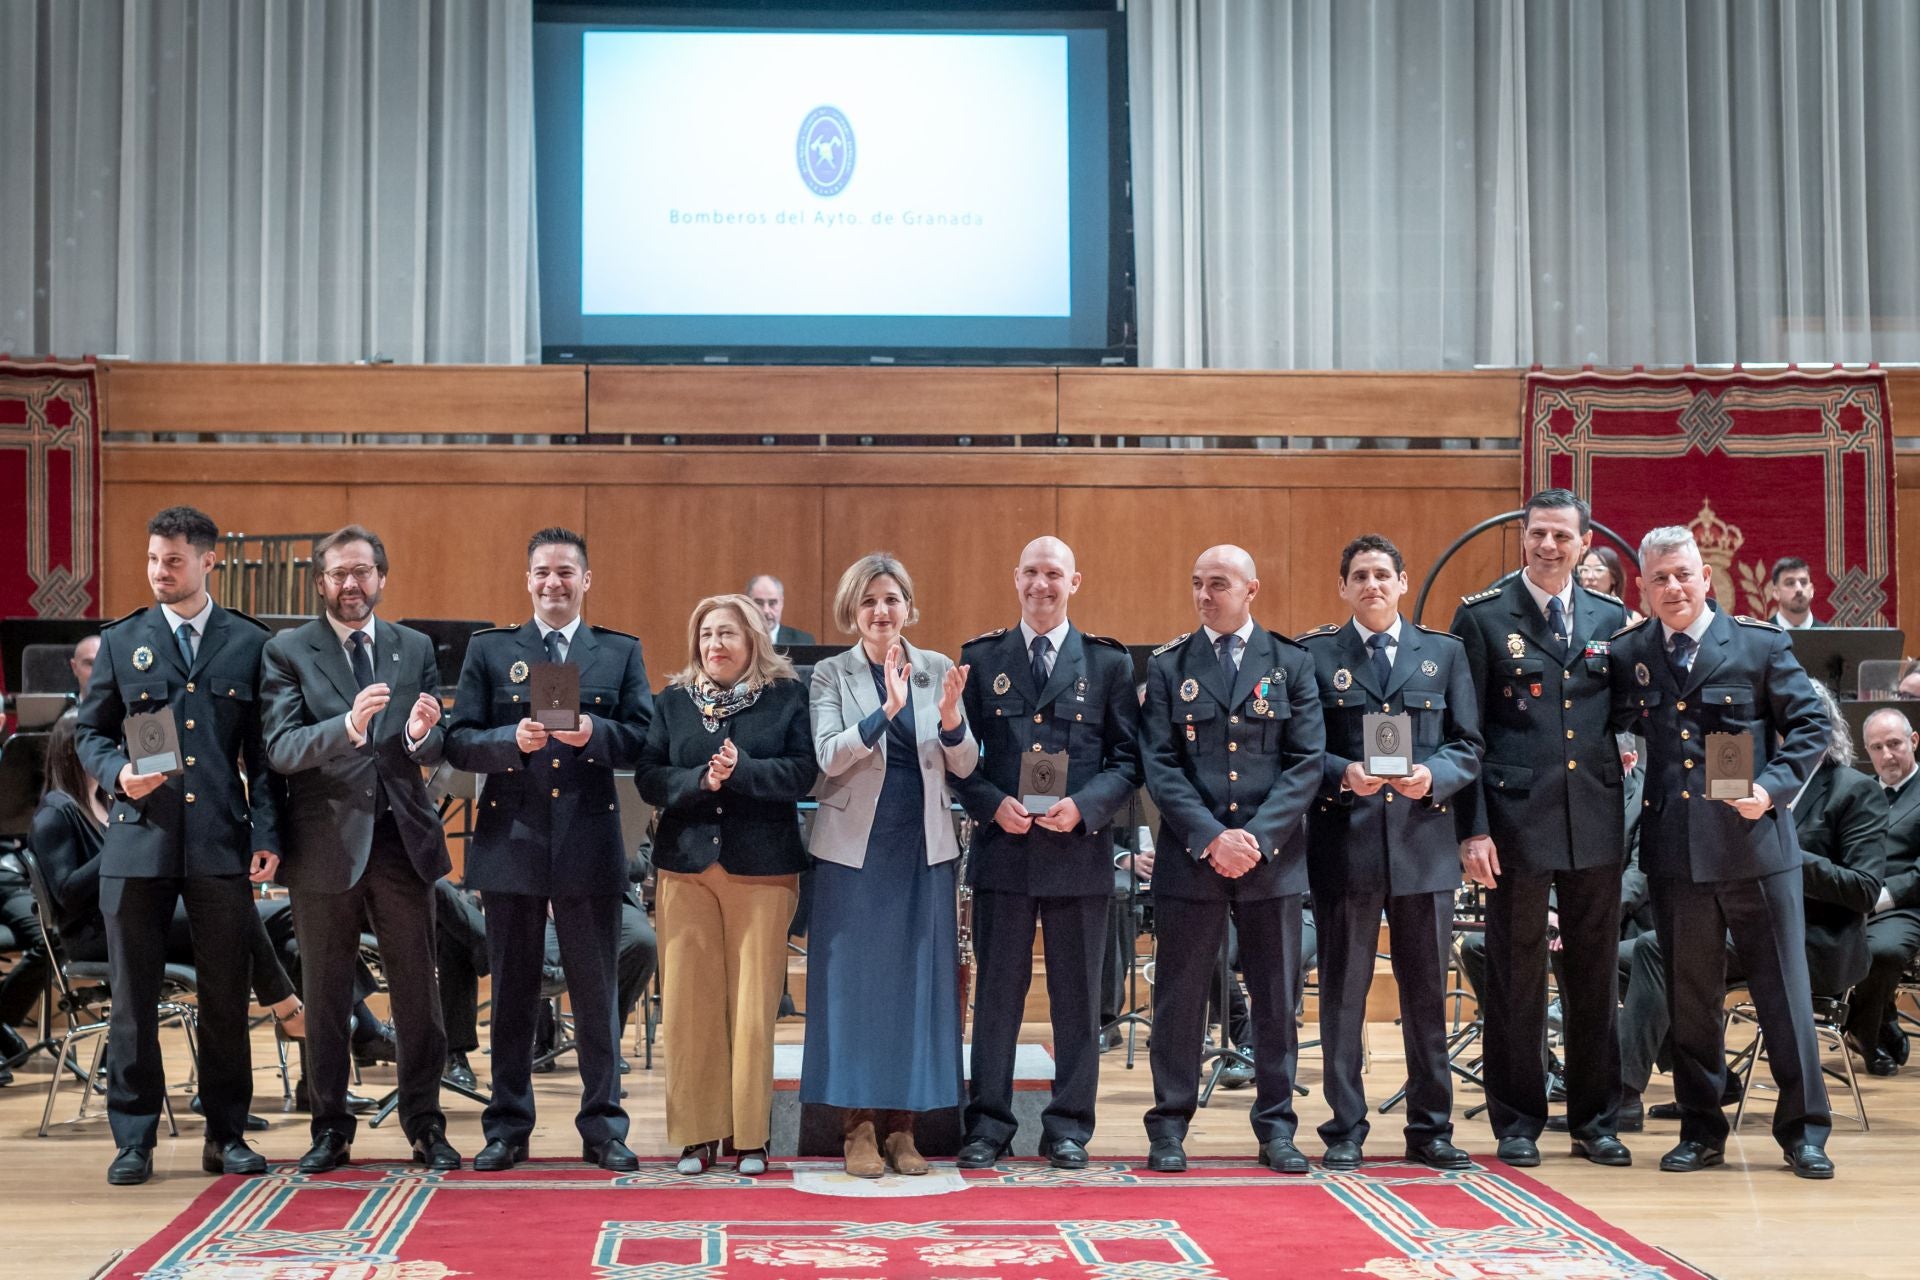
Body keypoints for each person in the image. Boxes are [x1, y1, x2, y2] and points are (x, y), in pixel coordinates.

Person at [1607, 525, 1833, 1179]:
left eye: (1683, 574)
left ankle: (1804, 1133)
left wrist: (1772, 787)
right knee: (1691, 1001)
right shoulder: (1633, 652)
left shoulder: (1759, 645)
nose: (1673, 588)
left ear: (1706, 577)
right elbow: (1617, 724)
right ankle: (1701, 1129)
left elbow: (1812, 724)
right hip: (1677, 855)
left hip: (1755, 847)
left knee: (1783, 996)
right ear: (1644, 588)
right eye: (1659, 579)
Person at [73, 505, 283, 1185]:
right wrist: (116, 773)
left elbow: (264, 754)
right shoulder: (124, 639)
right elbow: (91, 734)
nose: (159, 572)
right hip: (139, 845)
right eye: (152, 559)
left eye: (173, 560)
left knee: (226, 997)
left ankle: (226, 1135)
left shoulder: (250, 644)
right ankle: (133, 1138)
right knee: (133, 999)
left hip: (220, 844)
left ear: (207, 562)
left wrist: (268, 835)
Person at [443, 527, 653, 1172]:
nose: (552, 583)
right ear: (527, 579)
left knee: (595, 992)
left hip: (589, 839)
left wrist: (596, 731)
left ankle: (603, 1126)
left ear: (586, 581)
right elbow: (458, 741)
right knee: (511, 992)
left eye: (565, 572)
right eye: (541, 572)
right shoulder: (492, 649)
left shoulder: (617, 653)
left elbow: (645, 740)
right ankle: (507, 1126)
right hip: (513, 839)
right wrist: (512, 741)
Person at [260, 524, 460, 1173]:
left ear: (382, 576)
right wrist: (346, 728)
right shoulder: (287, 650)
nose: (352, 584)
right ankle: (329, 1127)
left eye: (363, 572)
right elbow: (281, 748)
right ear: (320, 581)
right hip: (323, 846)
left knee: (416, 993)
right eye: (339, 573)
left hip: (403, 842)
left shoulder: (413, 645)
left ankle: (425, 1123)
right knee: (325, 992)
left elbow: (431, 745)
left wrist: (427, 736)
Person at [1449, 489, 1632, 1168]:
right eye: (1538, 535)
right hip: (1514, 824)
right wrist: (1471, 830)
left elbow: (1624, 714)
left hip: (1594, 819)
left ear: (1583, 543)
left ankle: (1595, 1121)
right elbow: (1463, 734)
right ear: (1521, 540)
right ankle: (1518, 1120)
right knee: (1516, 976)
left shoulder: (1613, 618)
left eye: (1562, 536)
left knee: (1593, 975)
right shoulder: (1484, 617)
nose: (1549, 547)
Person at [950, 537, 1141, 1170]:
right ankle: (988, 1126)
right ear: (1015, 578)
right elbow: (958, 755)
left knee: (1077, 1000)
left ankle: (1067, 1127)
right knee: (998, 997)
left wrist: (1086, 807)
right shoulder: (981, 659)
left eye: (1053, 574)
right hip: (1004, 849)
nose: (1041, 584)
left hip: (1076, 853)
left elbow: (1126, 760)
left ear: (1074, 582)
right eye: (1031, 572)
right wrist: (987, 801)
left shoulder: (1108, 664)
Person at [1299, 533, 1483, 1172]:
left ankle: (1430, 1128)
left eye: (1383, 574)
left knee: (1426, 996)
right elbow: (1301, 752)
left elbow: (1468, 745)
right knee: (1343, 998)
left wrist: (1434, 776)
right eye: (1359, 576)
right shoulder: (1316, 656)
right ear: (1343, 587)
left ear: (1403, 582)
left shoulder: (1444, 654)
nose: (1372, 585)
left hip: (1422, 847)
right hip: (1344, 846)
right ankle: (1345, 1126)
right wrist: (1341, 772)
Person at [1137, 544, 1324, 1175]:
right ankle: (1168, 1127)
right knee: (1180, 998)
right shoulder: (1168, 666)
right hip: (1192, 858)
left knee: (1276, 999)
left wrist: (1257, 838)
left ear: (1252, 589)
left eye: (1218, 584)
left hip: (1271, 860)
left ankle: (1276, 1128)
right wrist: (1212, 837)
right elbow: (1159, 765)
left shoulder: (1292, 662)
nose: (1204, 595)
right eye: (1197, 584)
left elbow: (1306, 762)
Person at [1616, 684, 1885, 1119]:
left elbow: (1863, 889)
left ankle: (1623, 1095)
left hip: (1814, 940)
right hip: (1735, 921)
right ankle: (1711, 1081)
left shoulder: (1853, 791)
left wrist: (1785, 851)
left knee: (1654, 950)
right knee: (1621, 957)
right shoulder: (1740, 777)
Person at [804, 552, 977, 1177]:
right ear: (853, 610)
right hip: (855, 851)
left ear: (909, 607)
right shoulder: (830, 673)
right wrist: (885, 713)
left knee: (917, 990)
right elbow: (828, 756)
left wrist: (953, 723)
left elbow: (966, 766)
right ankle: (858, 1127)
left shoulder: (935, 668)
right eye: (870, 601)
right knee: (854, 989)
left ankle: (905, 1129)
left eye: (892, 600)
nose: (882, 611)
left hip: (923, 845)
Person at [638, 593, 816, 1176]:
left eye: (728, 634)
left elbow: (802, 771)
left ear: (753, 641)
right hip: (685, 867)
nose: (715, 645)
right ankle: (696, 1135)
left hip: (762, 868)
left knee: (752, 1007)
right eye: (707, 634)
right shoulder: (672, 701)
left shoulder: (787, 696)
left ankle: (751, 1137)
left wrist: (742, 771)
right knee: (689, 1005)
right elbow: (649, 776)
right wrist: (698, 780)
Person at [1848, 708, 1920, 1075]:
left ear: (1914, 741)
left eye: (1894, 744)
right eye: (1876, 747)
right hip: (1855, 899)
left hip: (1907, 903)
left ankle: (1864, 1031)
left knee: (1882, 950)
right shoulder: (1859, 791)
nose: (1886, 755)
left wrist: (1885, 896)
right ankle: (1883, 1018)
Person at [747, 574, 816, 647]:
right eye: (759, 603)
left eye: (772, 603)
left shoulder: (803, 641)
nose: (766, 610)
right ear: (747, 603)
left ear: (781, 603)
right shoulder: (738, 640)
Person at [1768, 557, 1822, 630]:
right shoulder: (1760, 635)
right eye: (1790, 583)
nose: (1799, 589)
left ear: (1811, 590)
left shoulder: (1832, 637)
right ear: (1776, 593)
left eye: (1803, 582)